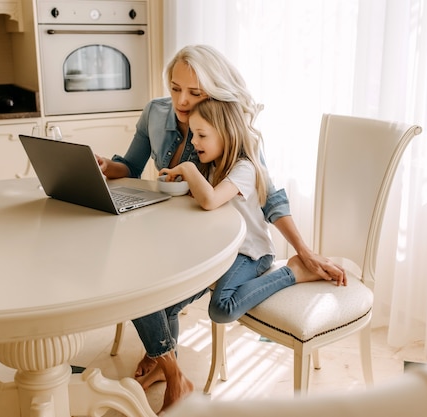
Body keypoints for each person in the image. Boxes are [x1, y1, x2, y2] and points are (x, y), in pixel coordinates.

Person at [96, 44, 346, 412]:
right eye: (175, 87)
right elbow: (130, 167)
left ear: (214, 94)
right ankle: (171, 368)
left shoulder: (227, 131)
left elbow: (266, 196)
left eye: (194, 93)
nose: (181, 101)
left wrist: (305, 252)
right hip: (170, 233)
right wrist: (103, 165)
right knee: (139, 290)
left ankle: (168, 367)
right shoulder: (156, 113)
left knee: (158, 295)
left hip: (215, 244)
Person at [160, 98, 347, 326]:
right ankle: (163, 357)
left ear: (226, 134)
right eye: (193, 135)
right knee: (165, 300)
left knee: (222, 309)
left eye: (201, 135)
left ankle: (293, 272)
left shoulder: (244, 168)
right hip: (223, 251)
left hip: (251, 253)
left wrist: (187, 168)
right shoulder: (210, 166)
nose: (194, 142)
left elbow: (210, 201)